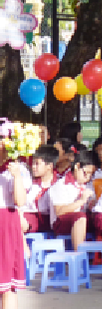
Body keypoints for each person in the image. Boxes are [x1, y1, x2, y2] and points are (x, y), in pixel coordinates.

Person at [0, 127, 28, 307]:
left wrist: (16, 175)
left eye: (5, 139)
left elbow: (20, 201)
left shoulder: (16, 168)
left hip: (6, 224)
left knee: (8, 285)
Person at [47, 149, 97, 250]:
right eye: (85, 173)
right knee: (80, 217)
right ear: (77, 166)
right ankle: (79, 255)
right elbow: (59, 211)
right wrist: (81, 201)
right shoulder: (61, 185)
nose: (88, 177)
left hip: (82, 219)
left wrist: (93, 205)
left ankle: (101, 256)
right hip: (61, 222)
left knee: (101, 218)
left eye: (91, 174)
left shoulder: (89, 185)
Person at [21, 145, 58, 236]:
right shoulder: (30, 184)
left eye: (37, 164)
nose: (33, 167)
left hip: (51, 220)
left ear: (49, 166)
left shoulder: (60, 183)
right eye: (33, 163)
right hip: (30, 218)